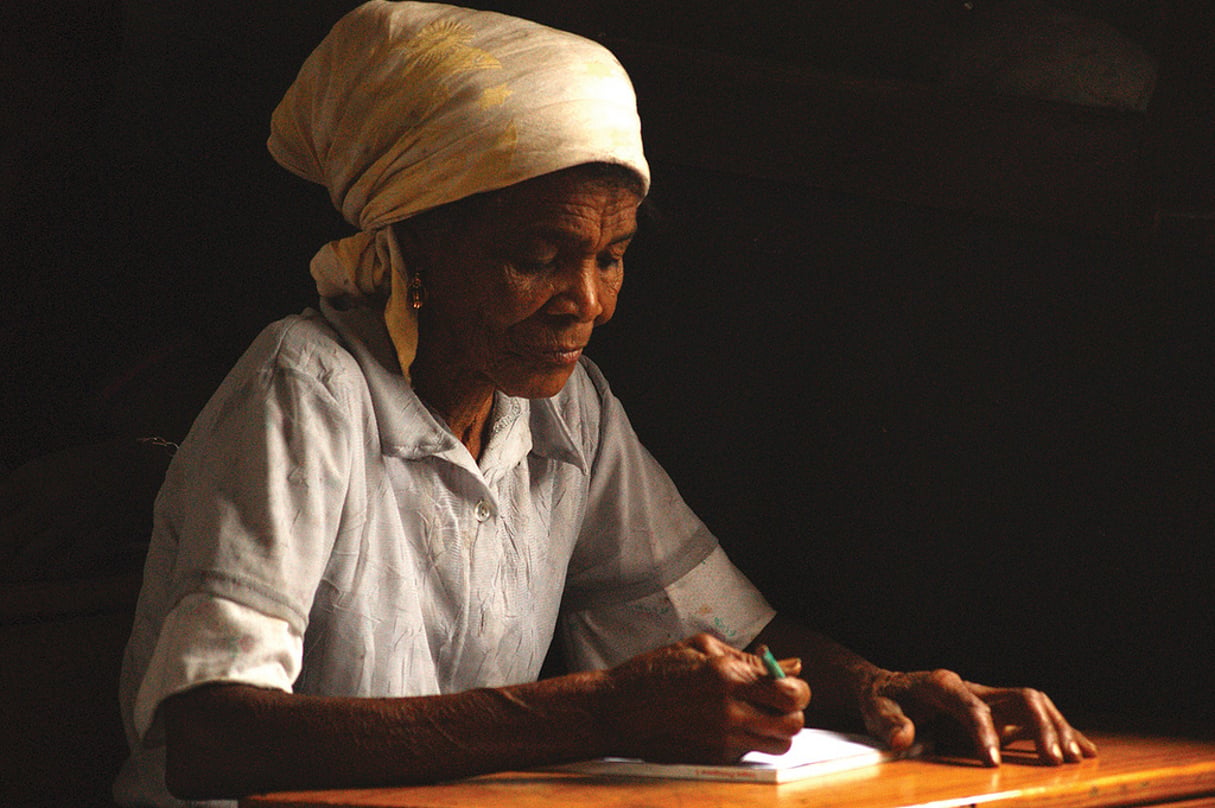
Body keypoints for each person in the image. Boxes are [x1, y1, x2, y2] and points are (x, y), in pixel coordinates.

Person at [114, 2, 1096, 805]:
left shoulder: (564, 407)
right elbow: (211, 736)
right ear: (416, 250)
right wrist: (596, 712)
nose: (585, 301)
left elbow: (714, 627)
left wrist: (877, 684)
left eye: (611, 256)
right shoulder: (306, 385)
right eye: (536, 257)